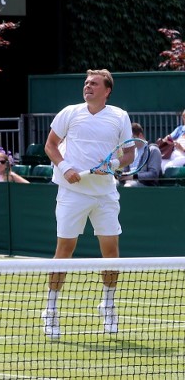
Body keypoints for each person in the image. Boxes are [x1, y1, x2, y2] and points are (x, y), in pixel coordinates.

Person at [41, 69, 134, 340]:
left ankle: (107, 304)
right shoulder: (69, 112)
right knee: (64, 251)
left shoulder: (120, 116)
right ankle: (51, 311)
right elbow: (51, 145)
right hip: (73, 192)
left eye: (94, 83)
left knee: (111, 253)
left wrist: (114, 165)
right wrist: (65, 166)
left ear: (107, 90)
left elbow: (129, 153)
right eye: (86, 83)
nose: (88, 86)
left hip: (104, 194)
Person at [118, 122, 161, 187]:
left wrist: (133, 176)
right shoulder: (130, 152)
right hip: (129, 182)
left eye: (132, 138)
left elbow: (153, 174)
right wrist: (121, 175)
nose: (129, 142)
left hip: (146, 185)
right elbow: (126, 171)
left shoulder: (153, 150)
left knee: (128, 186)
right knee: (113, 184)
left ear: (140, 136)